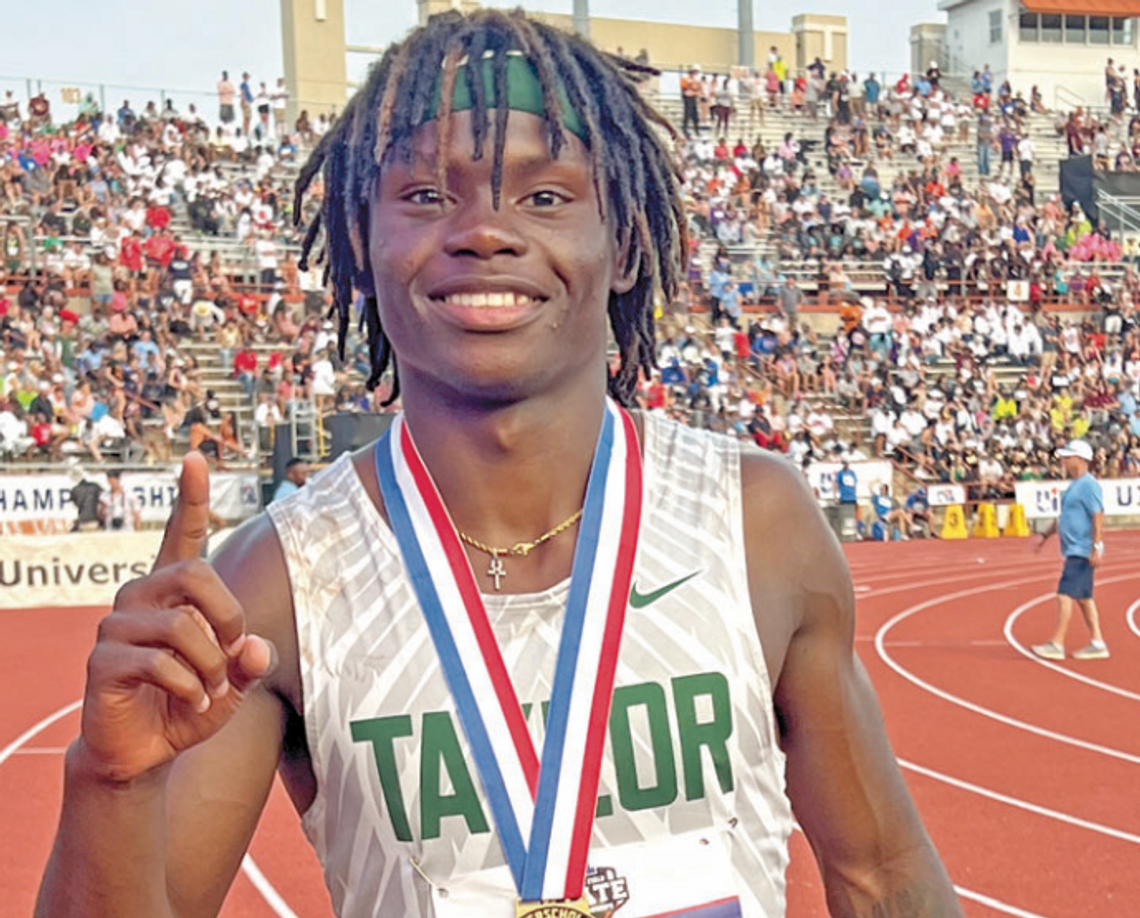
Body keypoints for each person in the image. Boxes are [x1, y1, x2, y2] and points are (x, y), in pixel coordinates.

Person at [36, 11, 962, 918]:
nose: (485, 230)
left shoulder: (753, 520)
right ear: (363, 239)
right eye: (428, 196)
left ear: (626, 243)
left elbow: (882, 878)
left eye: (546, 197)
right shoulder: (275, 582)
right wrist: (108, 782)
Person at [1032, 439, 1110, 661]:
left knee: (1064, 594)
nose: (1064, 461)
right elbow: (1064, 517)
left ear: (1080, 459)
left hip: (1081, 549)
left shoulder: (1089, 485)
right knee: (1084, 598)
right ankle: (1097, 643)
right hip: (1075, 548)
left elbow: (1098, 515)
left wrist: (1095, 547)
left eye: (1068, 457)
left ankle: (1056, 643)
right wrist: (1046, 535)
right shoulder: (1074, 486)